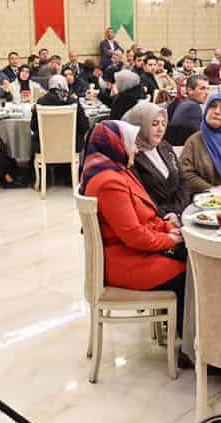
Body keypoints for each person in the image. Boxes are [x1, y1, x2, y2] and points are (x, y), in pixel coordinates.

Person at [80, 120, 187, 308]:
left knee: (190, 256)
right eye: (131, 143)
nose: (136, 150)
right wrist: (170, 239)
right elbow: (134, 235)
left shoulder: (118, 170)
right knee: (193, 270)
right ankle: (185, 325)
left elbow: (146, 216)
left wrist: (168, 228)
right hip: (127, 262)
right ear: (116, 145)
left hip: (135, 252)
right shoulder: (108, 183)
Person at [123, 102, 190, 218]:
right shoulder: (131, 155)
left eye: (163, 124)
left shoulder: (164, 146)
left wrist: (178, 211)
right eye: (154, 124)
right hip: (154, 219)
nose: (160, 129)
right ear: (139, 125)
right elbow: (141, 198)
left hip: (179, 214)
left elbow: (183, 181)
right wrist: (167, 215)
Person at [30, 75, 90, 163]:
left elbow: (33, 126)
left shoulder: (41, 102)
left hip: (45, 146)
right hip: (71, 146)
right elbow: (84, 126)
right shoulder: (73, 101)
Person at [167, 74, 211, 147]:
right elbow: (203, 136)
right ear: (190, 90)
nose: (207, 93)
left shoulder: (185, 103)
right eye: (202, 88)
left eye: (208, 89)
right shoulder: (192, 107)